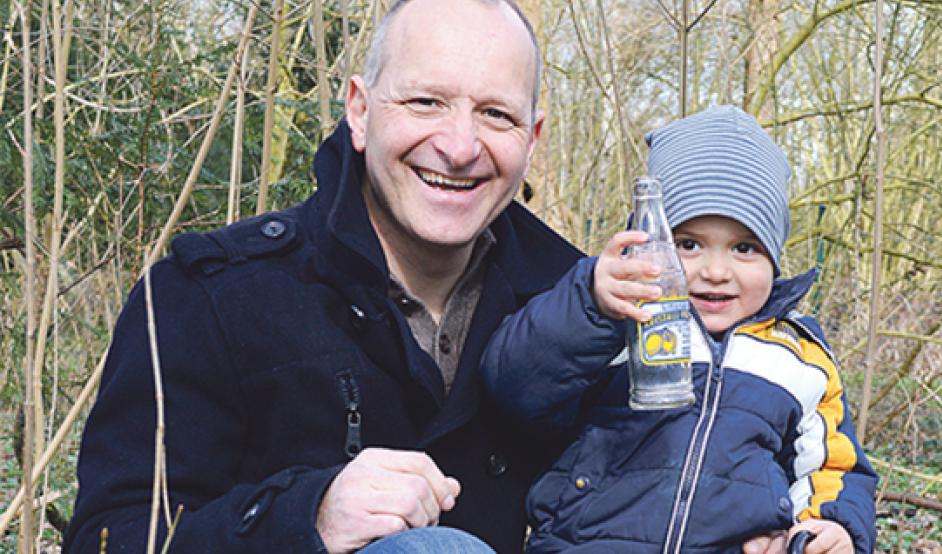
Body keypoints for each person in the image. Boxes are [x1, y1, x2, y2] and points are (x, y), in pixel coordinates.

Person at [63, 0, 583, 552]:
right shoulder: (209, 298)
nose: (459, 147)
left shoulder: (584, 319)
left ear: (533, 139)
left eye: (495, 114)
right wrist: (307, 517)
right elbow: (110, 538)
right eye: (425, 102)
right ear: (359, 111)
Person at [482, 105, 879, 553]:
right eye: (688, 245)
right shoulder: (618, 319)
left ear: (774, 257)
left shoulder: (797, 357)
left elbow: (832, 467)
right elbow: (517, 385)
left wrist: (831, 527)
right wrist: (592, 304)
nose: (715, 271)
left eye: (744, 248)